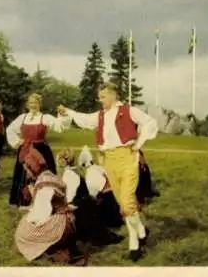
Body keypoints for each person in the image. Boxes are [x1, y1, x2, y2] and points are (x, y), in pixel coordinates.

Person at [58, 81, 159, 262]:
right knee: (124, 204)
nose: (100, 100)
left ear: (114, 95)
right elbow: (85, 119)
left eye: (103, 96)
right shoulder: (101, 115)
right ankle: (142, 231)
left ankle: (134, 244)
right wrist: (69, 112)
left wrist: (139, 143)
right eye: (99, 96)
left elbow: (150, 123)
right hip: (108, 160)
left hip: (127, 158)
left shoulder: (129, 111)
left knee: (127, 203)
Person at [14, 147, 88, 266]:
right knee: (26, 223)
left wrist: (29, 219)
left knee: (23, 232)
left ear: (33, 168)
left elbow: (42, 214)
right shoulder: (48, 176)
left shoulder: (44, 184)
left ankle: (54, 249)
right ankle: (58, 247)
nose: (27, 174)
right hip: (66, 219)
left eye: (27, 170)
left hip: (62, 225)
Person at [6, 93, 68, 208]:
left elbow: (60, 127)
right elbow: (10, 129)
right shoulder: (22, 117)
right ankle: (24, 200)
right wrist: (17, 141)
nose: (33, 105)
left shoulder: (45, 118)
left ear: (40, 104)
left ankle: (45, 200)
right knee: (24, 175)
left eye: (35, 102)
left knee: (43, 174)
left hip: (41, 150)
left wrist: (62, 115)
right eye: (30, 103)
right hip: (25, 150)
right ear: (27, 104)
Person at [57, 148, 124, 247]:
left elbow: (69, 199)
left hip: (81, 211)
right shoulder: (75, 174)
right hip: (85, 209)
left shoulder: (68, 175)